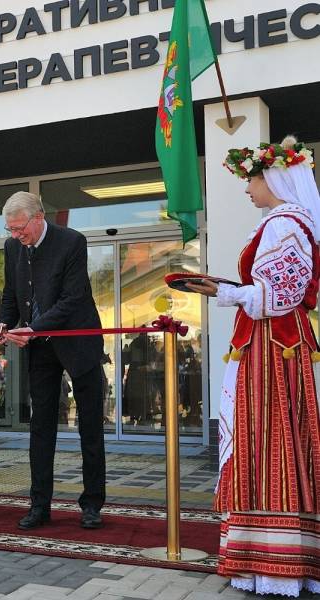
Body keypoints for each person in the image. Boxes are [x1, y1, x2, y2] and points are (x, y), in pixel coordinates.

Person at [188, 136, 320, 596]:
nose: (248, 188)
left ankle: (274, 560)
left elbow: (275, 297)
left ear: (275, 178)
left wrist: (220, 291)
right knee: (265, 435)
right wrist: (226, 288)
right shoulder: (283, 222)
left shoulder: (285, 224)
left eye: (253, 179)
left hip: (272, 346)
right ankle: (266, 556)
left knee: (269, 434)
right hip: (269, 344)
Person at [0, 190, 106, 530]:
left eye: (19, 228)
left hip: (78, 341)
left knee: (89, 425)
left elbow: (73, 298)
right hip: (40, 346)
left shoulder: (72, 241)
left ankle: (91, 505)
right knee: (40, 426)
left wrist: (31, 327)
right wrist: (3, 323)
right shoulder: (13, 247)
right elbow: (12, 294)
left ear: (38, 217)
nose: (15, 236)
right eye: (10, 230)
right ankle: (39, 505)